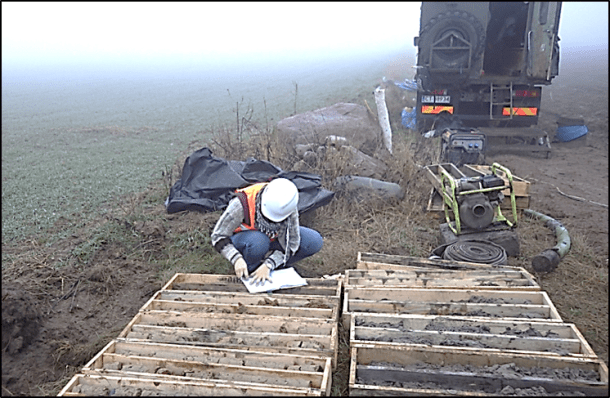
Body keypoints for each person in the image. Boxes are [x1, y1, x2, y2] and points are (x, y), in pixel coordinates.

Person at [211, 178, 323, 285]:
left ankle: (273, 267)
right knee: (259, 241)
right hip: (245, 241)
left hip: (271, 239)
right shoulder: (241, 204)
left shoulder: (288, 207)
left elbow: (291, 244)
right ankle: (251, 269)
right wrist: (236, 259)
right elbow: (218, 236)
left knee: (314, 241)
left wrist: (269, 265)